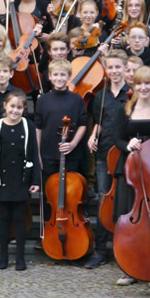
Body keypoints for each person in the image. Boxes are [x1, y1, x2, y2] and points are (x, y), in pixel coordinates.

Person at [111, 65, 150, 285]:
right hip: (131, 169)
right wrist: (128, 144)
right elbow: (116, 139)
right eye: (139, 83)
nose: (144, 87)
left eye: (148, 83)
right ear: (133, 85)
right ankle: (129, 269)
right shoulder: (125, 109)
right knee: (130, 220)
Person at [0, 90, 40, 271]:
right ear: (5, 106)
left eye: (19, 107)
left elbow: (33, 152)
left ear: (24, 109)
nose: (15, 111)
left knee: (19, 218)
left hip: (22, 179)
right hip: (2, 179)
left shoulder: (28, 126)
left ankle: (21, 258)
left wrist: (35, 180)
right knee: (3, 218)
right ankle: (3, 257)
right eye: (12, 106)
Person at [85, 49, 130, 269]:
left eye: (117, 67)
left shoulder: (132, 93)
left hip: (126, 156)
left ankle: (124, 249)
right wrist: (93, 135)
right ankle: (101, 250)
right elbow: (99, 121)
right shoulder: (101, 95)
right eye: (110, 67)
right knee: (104, 200)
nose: (113, 71)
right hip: (104, 153)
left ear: (124, 68)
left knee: (126, 201)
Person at [34, 60, 87, 227]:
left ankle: (72, 229)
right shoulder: (43, 100)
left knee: (72, 193)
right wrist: (38, 154)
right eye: (55, 75)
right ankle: (47, 230)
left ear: (69, 77)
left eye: (63, 75)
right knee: (49, 195)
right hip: (48, 153)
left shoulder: (76, 99)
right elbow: (38, 127)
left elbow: (83, 124)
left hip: (71, 154)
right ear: (50, 77)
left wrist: (72, 144)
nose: (59, 78)